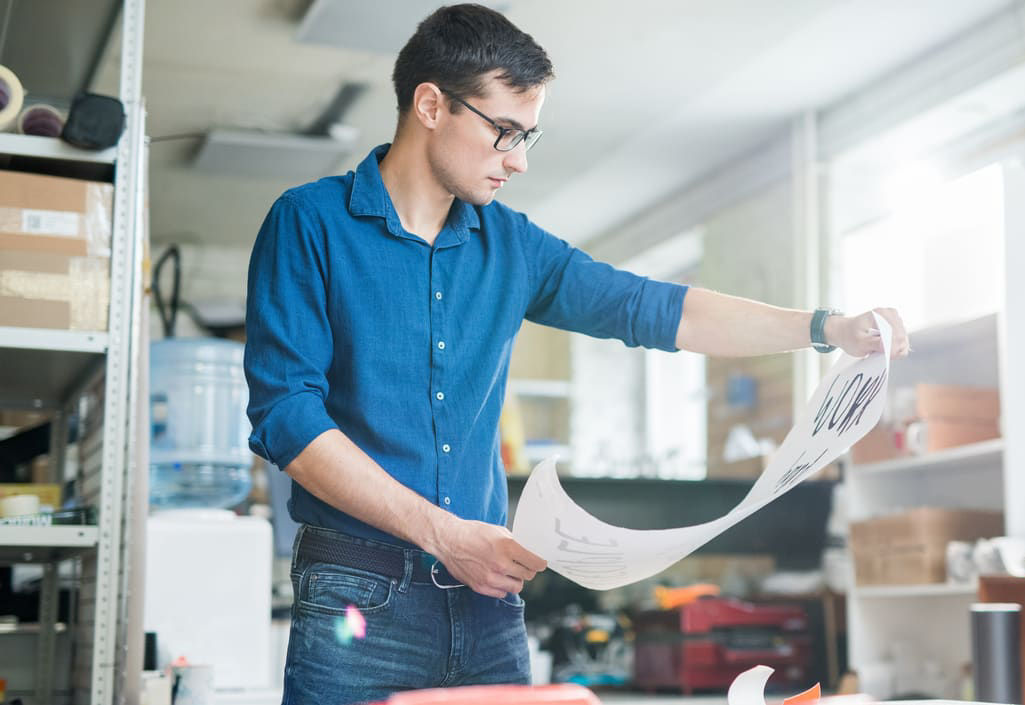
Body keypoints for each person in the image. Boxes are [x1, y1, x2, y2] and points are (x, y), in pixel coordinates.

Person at [244, 4, 908, 703]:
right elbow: (287, 417)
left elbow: (649, 306)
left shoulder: (514, 246)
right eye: (504, 132)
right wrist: (444, 534)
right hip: (358, 595)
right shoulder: (310, 222)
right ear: (430, 104)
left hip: (487, 600)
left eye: (529, 136)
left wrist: (826, 327)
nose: (519, 160)